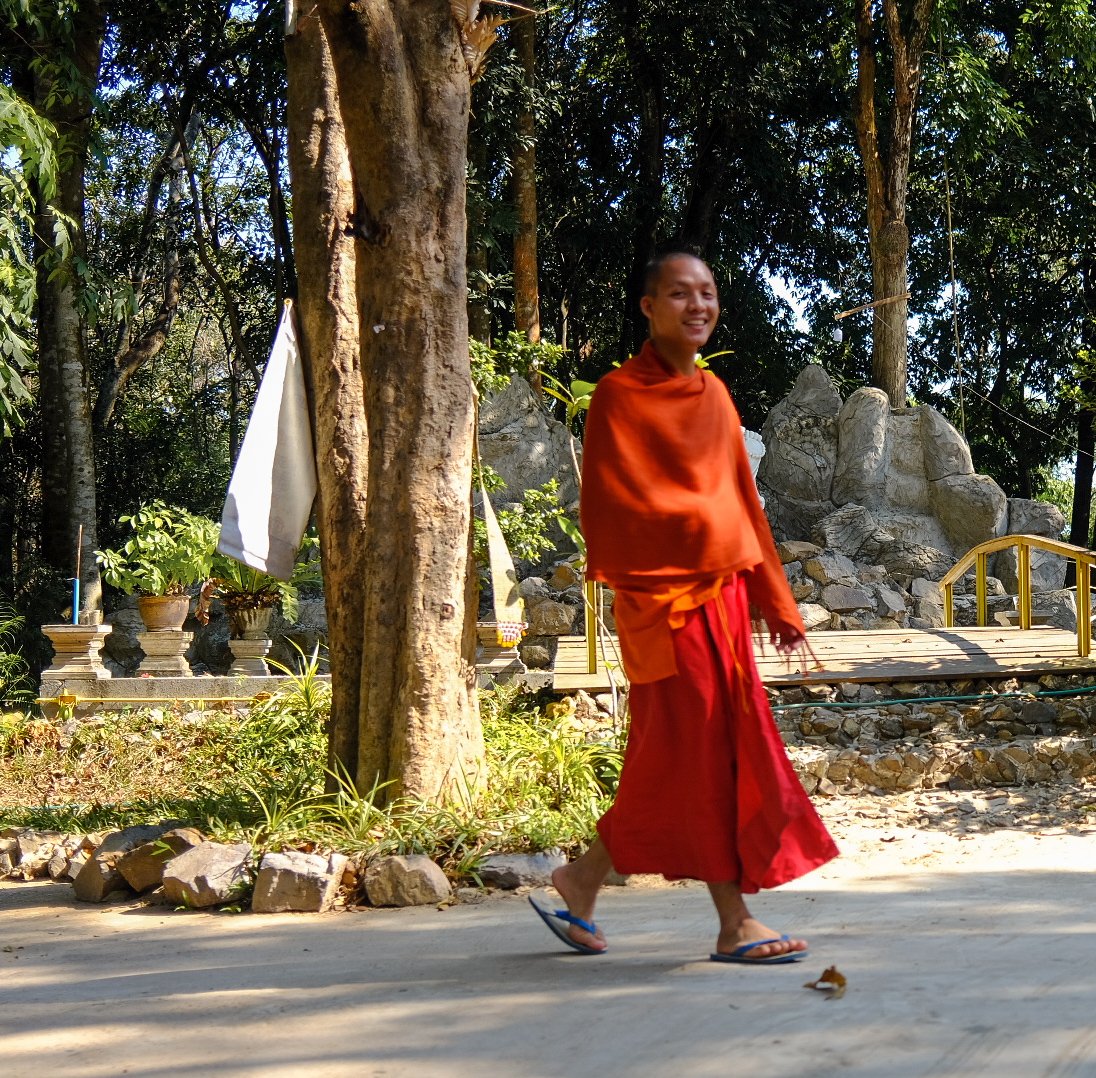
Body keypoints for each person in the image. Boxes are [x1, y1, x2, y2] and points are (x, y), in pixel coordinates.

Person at [529, 251, 839, 964]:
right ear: (648, 307)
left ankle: (581, 880)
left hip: (723, 601)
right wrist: (699, 529)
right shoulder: (617, 396)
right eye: (679, 294)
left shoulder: (716, 396)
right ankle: (734, 924)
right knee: (704, 756)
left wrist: (772, 594)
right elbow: (613, 509)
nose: (697, 305)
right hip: (663, 606)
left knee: (678, 759)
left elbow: (741, 504)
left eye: (707, 293)